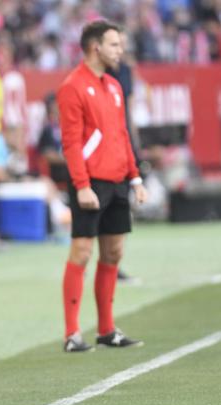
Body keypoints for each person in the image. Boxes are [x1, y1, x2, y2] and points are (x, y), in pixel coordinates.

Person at [56, 20, 148, 353]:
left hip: (118, 180)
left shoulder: (114, 85)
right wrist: (81, 185)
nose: (120, 51)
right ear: (96, 47)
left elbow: (122, 135)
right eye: (114, 45)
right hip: (90, 182)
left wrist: (135, 177)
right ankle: (71, 334)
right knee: (81, 251)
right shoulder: (72, 87)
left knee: (114, 252)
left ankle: (106, 330)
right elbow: (70, 143)